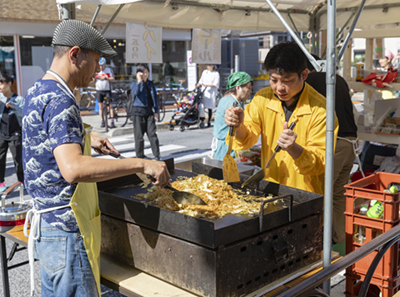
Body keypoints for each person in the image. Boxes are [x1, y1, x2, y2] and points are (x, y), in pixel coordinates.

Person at [22, 20, 170, 297]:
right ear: (75, 54)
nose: (99, 70)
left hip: (47, 227)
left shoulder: (37, 90)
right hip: (67, 230)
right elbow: (73, 168)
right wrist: (142, 163)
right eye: (97, 61)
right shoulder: (61, 99)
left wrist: (87, 140)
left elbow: (47, 149)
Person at [224, 41, 338, 195]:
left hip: (306, 193)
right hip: (271, 187)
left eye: (287, 80)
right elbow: (246, 139)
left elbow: (320, 162)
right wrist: (238, 126)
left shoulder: (321, 109)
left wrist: (294, 148)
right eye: (273, 80)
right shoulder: (263, 98)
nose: (279, 87)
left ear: (304, 75)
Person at [306, 54, 358, 244]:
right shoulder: (339, 79)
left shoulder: (310, 80)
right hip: (350, 142)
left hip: (333, 145)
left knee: (316, 195)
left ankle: (317, 243)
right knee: (337, 196)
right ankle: (342, 242)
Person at [211, 72, 253, 161]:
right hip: (229, 147)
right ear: (238, 87)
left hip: (220, 146)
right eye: (248, 88)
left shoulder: (224, 99)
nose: (250, 91)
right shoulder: (234, 103)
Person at [130, 64, 161, 160]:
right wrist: (140, 81)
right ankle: (140, 156)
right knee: (139, 136)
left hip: (149, 112)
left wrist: (156, 110)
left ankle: (157, 155)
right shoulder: (134, 84)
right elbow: (136, 93)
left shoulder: (151, 84)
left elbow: (155, 97)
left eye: (147, 72)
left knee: (152, 134)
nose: (145, 74)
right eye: (142, 72)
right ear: (138, 73)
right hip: (137, 112)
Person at [0, 73, 24, 192]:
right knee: (0, 159)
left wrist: (14, 107)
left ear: (9, 84)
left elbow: (24, 113)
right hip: (1, 134)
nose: (0, 86)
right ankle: (1, 183)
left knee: (18, 159)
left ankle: (22, 180)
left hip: (15, 133)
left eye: (2, 84)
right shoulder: (0, 99)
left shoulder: (19, 99)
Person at [96, 57, 116, 128]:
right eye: (100, 65)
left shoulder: (108, 70)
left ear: (105, 65)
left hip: (107, 90)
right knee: (101, 106)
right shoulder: (97, 70)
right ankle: (102, 121)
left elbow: (113, 78)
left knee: (110, 105)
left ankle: (112, 121)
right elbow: (92, 78)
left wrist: (106, 78)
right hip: (99, 90)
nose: (101, 67)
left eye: (102, 65)